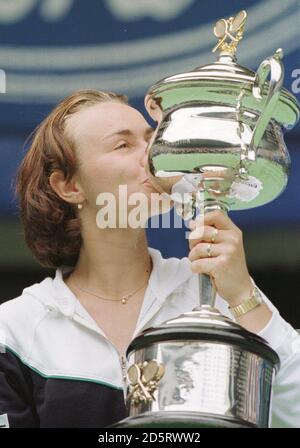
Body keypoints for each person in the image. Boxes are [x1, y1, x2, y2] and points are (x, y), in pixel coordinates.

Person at [0, 89, 299, 428]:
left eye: (151, 138)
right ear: (69, 186)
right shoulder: (14, 331)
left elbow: (293, 413)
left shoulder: (212, 291)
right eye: (123, 145)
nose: (155, 154)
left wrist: (244, 295)